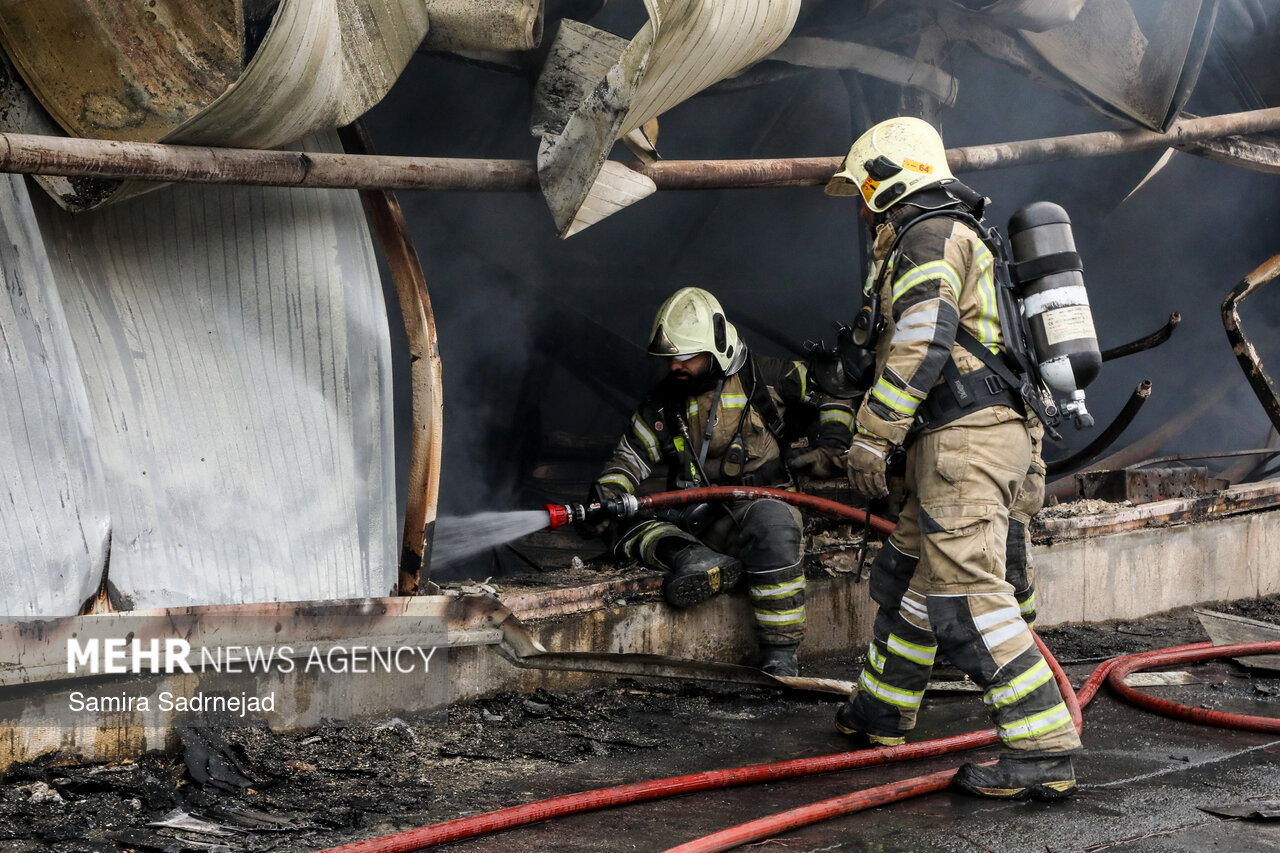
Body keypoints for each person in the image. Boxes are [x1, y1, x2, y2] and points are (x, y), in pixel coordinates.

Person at [824, 116, 1082, 799]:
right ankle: (881, 710)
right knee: (908, 578)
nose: (860, 209)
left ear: (888, 181)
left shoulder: (928, 235)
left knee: (969, 600)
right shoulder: (957, 231)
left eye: (863, 192)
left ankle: (1042, 749)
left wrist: (873, 434)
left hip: (965, 443)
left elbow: (921, 337)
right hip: (979, 436)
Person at [585, 286, 853, 677]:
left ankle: (780, 657)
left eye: (685, 357)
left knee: (773, 525)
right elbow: (630, 457)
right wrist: (608, 493)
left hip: (761, 505)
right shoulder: (663, 403)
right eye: (670, 359)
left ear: (717, 349)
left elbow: (835, 391)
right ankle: (696, 560)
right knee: (620, 517)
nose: (675, 367)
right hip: (698, 517)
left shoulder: (768, 378)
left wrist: (832, 444)